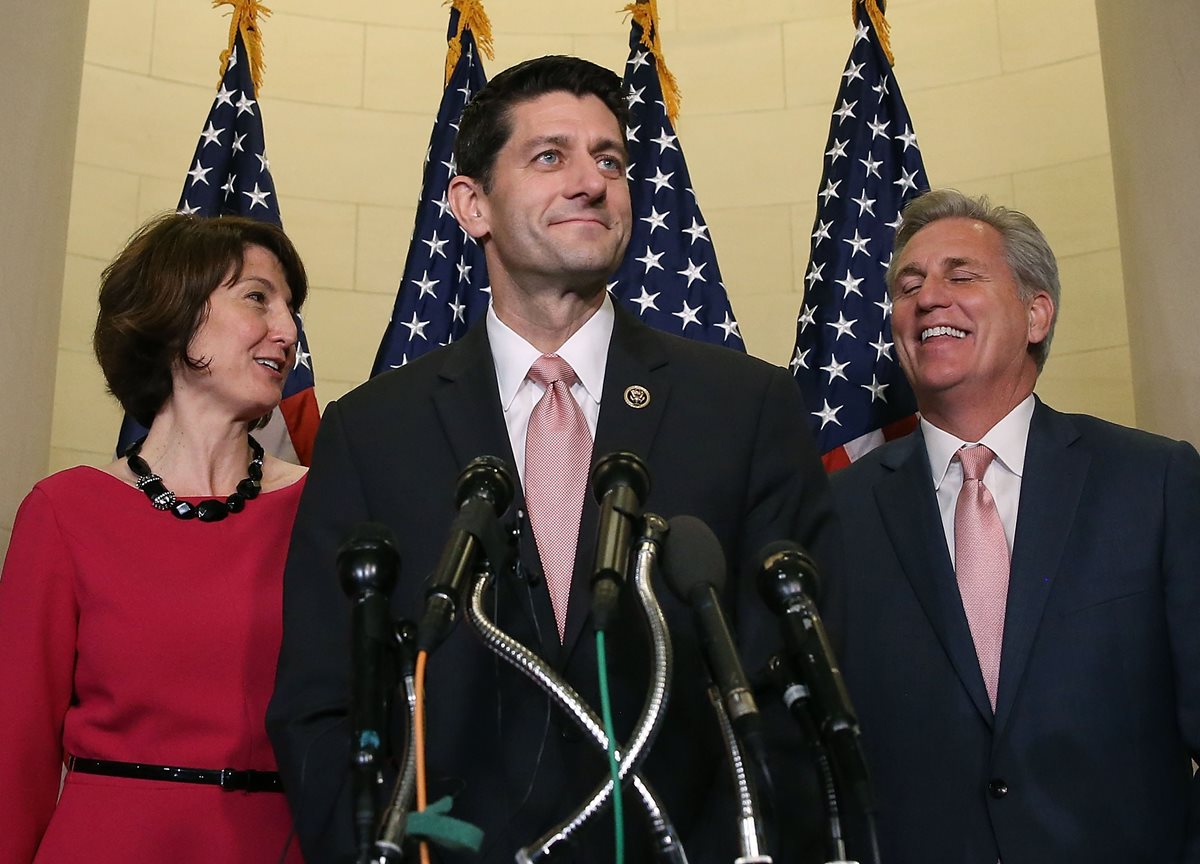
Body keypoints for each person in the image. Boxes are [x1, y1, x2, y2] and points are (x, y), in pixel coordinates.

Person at [267, 55, 838, 863]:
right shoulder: (372, 431)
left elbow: (793, 686)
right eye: (550, 156)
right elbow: (322, 702)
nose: (591, 182)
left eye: (610, 159)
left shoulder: (746, 409)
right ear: (472, 205)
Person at [826, 189, 1200, 863]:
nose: (928, 297)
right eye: (908, 285)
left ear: (1036, 314)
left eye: (961, 275)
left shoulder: (1153, 483)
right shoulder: (835, 515)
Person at [0, 213, 310, 862]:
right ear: (177, 309)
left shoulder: (323, 507)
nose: (287, 331)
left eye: (290, 308)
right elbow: (14, 757)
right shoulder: (66, 511)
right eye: (258, 297)